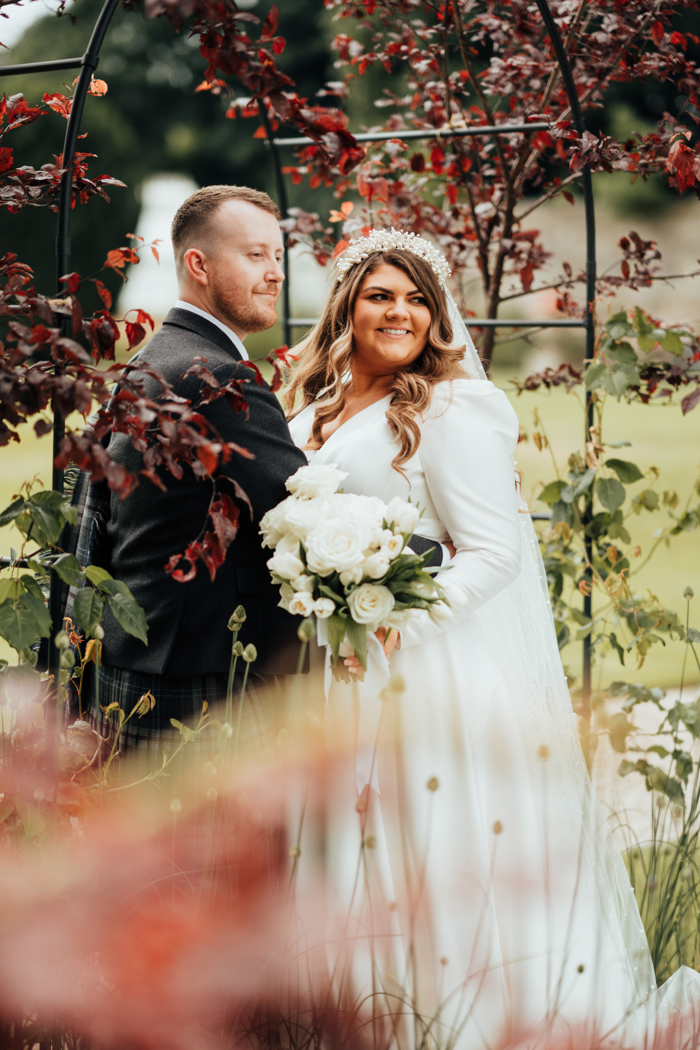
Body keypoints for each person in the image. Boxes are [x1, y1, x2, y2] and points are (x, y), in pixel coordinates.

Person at [286, 228, 700, 1047]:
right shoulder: (312, 407)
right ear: (347, 307)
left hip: (425, 673)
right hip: (329, 668)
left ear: (438, 317)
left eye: (416, 299)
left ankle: (466, 1025)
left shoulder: (448, 407)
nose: (398, 312)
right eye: (379, 295)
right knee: (351, 851)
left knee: (432, 852)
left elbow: (494, 552)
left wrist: (402, 612)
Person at [80, 189, 442, 748]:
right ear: (198, 265)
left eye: (277, 256)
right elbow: (302, 512)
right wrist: (429, 553)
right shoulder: (214, 378)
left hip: (143, 664)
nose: (275, 274)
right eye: (255, 256)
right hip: (204, 684)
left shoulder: (151, 362)